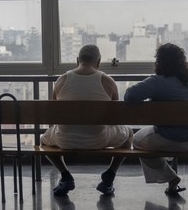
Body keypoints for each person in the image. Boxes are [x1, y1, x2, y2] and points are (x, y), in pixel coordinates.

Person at [41, 44, 133, 196]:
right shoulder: (108, 81)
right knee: (128, 133)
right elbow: (115, 118)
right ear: (98, 62)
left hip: (64, 140)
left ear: (78, 60)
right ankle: (109, 177)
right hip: (99, 139)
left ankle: (65, 175)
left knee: (43, 141)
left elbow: (54, 114)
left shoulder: (61, 80)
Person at [123, 43, 188, 196]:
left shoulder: (157, 82)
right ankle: (171, 178)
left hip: (175, 140)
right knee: (162, 136)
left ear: (159, 62)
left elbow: (129, 96)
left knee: (137, 141)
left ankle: (170, 177)